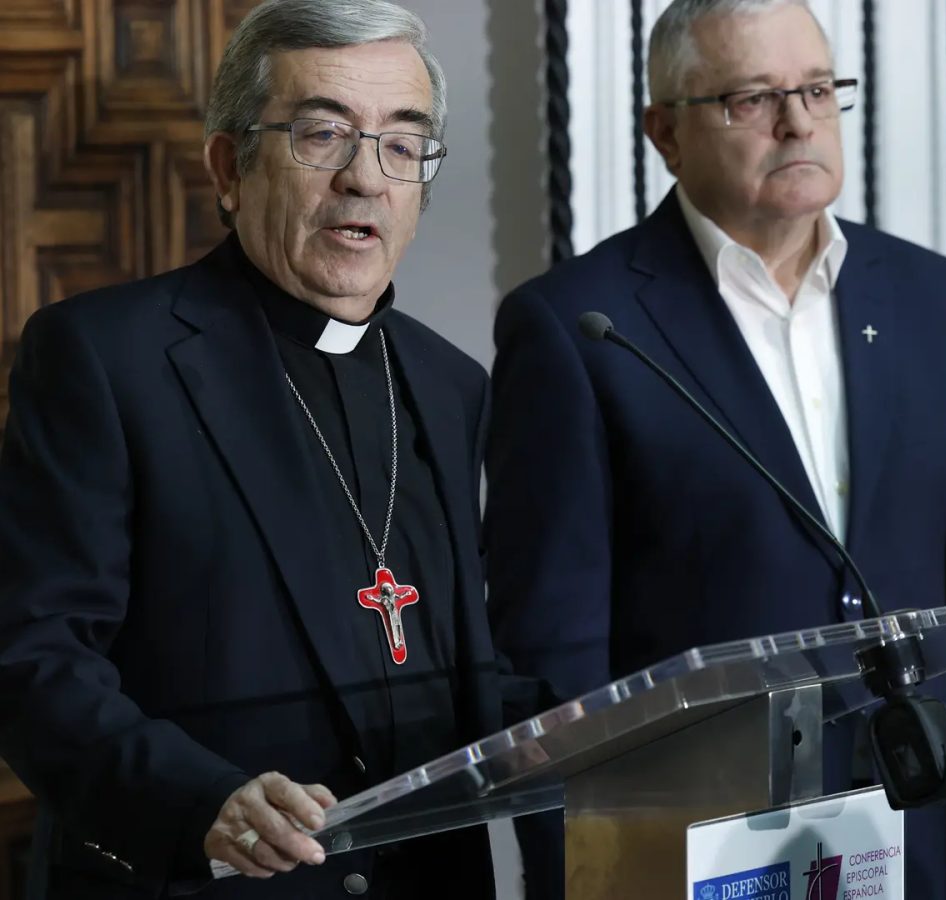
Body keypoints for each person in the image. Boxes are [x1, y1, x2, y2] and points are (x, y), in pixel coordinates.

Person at [483, 1, 946, 898]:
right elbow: (558, 662)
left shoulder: (934, 298)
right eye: (752, 98)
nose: (798, 122)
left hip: (926, 840)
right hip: (698, 857)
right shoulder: (578, 326)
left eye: (819, 89)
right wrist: (592, 881)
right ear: (664, 132)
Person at [0, 1, 541, 897]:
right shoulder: (105, 358)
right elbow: (33, 656)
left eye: (402, 145)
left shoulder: (452, 386)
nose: (365, 179)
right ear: (230, 166)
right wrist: (196, 802)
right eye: (323, 135)